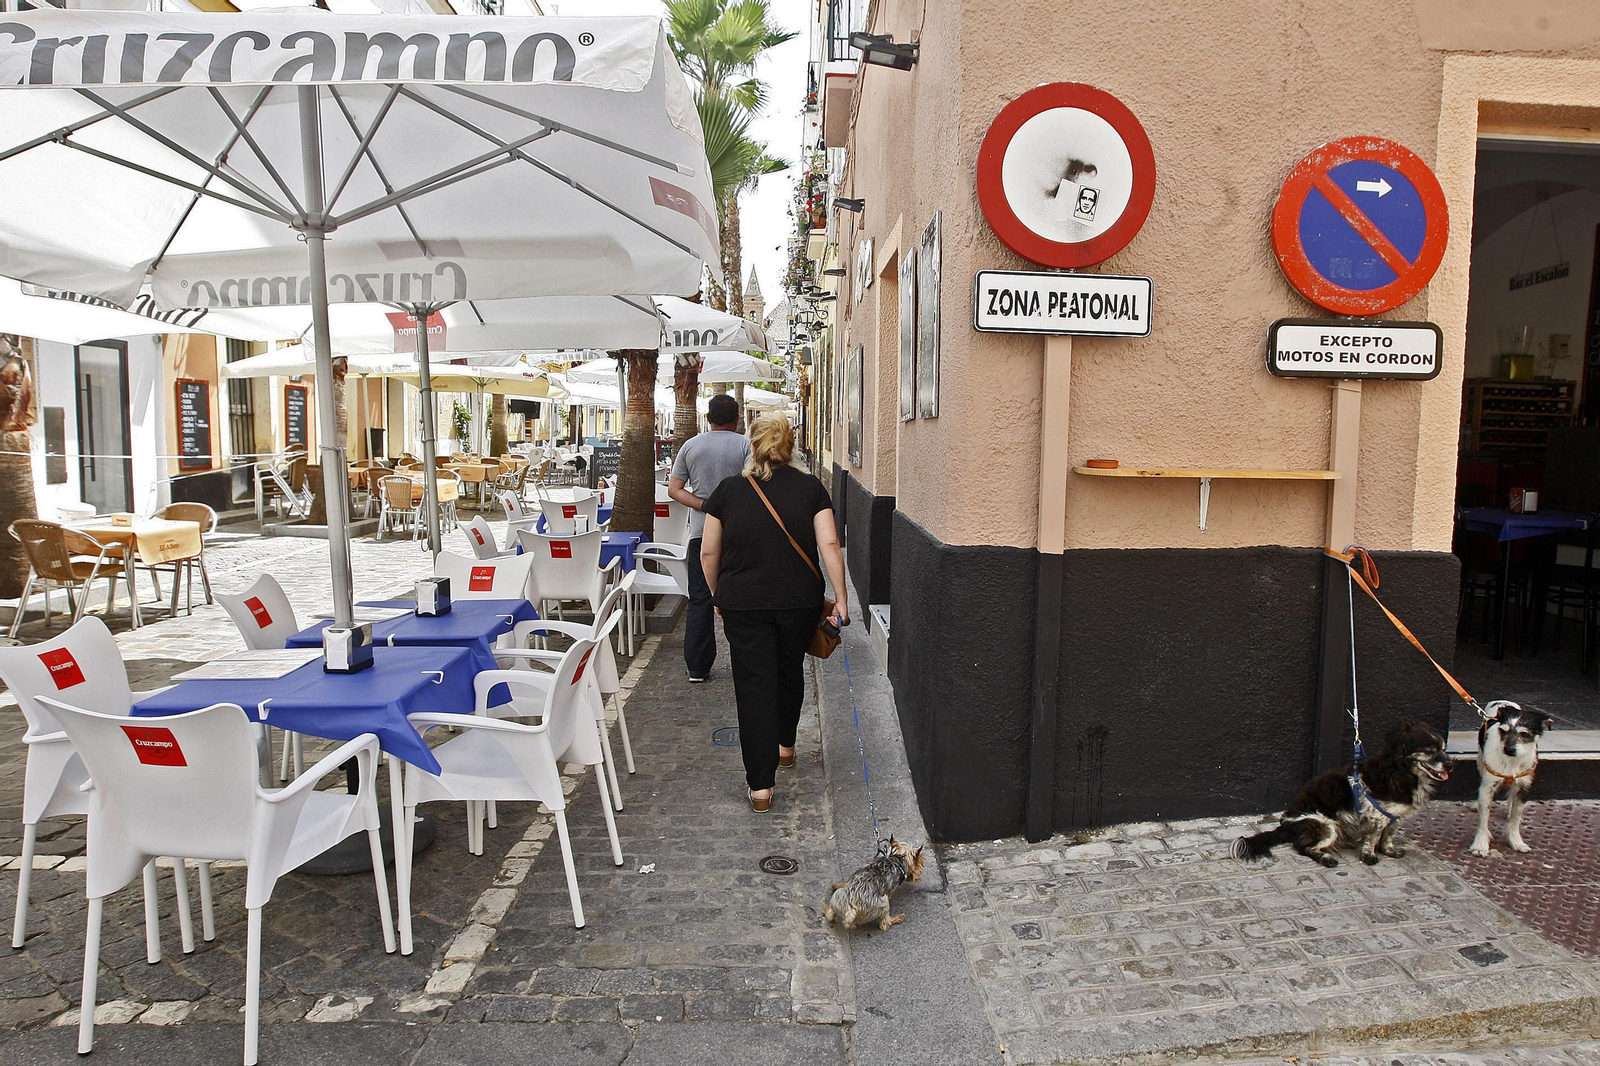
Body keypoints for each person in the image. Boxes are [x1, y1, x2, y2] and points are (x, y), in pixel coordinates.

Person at [700, 416, 848, 813]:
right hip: (798, 601)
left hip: (742, 603)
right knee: (788, 670)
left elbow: (708, 552)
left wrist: (718, 594)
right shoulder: (811, 488)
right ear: (791, 447)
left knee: (753, 686)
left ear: (752, 447)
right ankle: (786, 747)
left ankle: (761, 787)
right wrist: (843, 600)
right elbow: (830, 544)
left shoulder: (728, 491)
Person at [668, 394, 751, 682]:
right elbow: (755, 485)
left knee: (700, 599)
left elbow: (674, 489)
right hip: (739, 533)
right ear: (737, 418)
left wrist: (704, 505)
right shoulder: (745, 445)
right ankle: (747, 662)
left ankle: (698, 667)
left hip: (701, 533)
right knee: (743, 598)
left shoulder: (691, 446)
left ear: (708, 418)